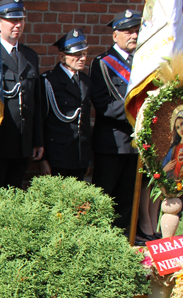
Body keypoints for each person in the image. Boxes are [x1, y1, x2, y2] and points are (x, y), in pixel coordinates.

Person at [90, 10, 141, 236]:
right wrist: (140, 112)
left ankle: (123, 240)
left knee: (128, 197)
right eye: (128, 31)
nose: (133, 35)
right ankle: (100, 240)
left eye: (136, 31)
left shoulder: (142, 62)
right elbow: (104, 104)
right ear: (115, 35)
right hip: (112, 142)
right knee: (105, 196)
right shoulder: (102, 63)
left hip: (136, 143)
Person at [0, 0, 43, 191]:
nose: (17, 25)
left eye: (20, 20)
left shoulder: (30, 55)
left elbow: (36, 102)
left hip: (23, 142)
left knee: (16, 192)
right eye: (11, 20)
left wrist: (37, 140)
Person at [40, 29, 92, 180]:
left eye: (84, 54)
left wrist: (87, 158)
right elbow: (41, 121)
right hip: (57, 157)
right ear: (62, 57)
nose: (82, 58)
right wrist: (43, 159)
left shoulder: (85, 81)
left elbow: (85, 124)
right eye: (77, 55)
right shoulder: (49, 81)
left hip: (80, 157)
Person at [162, 109, 183, 182]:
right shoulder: (174, 149)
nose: (180, 129)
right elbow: (161, 170)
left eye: (182, 123)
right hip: (175, 185)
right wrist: (165, 169)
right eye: (177, 127)